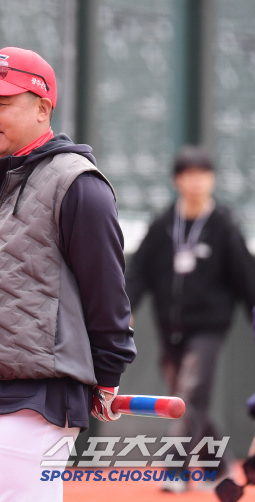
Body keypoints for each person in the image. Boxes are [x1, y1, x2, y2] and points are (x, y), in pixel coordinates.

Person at [0, 47, 137, 501]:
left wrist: (107, 374)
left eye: (2, 103)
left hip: (43, 392)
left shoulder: (78, 184)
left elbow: (106, 291)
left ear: (42, 107)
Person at [125, 145, 255, 493]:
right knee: (186, 400)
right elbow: (139, 272)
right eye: (189, 175)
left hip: (210, 328)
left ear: (212, 180)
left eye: (203, 174)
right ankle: (220, 466)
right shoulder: (165, 225)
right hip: (170, 329)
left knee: (191, 391)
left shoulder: (223, 226)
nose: (196, 182)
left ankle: (176, 470)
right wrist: (126, 308)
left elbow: (246, 276)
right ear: (176, 180)